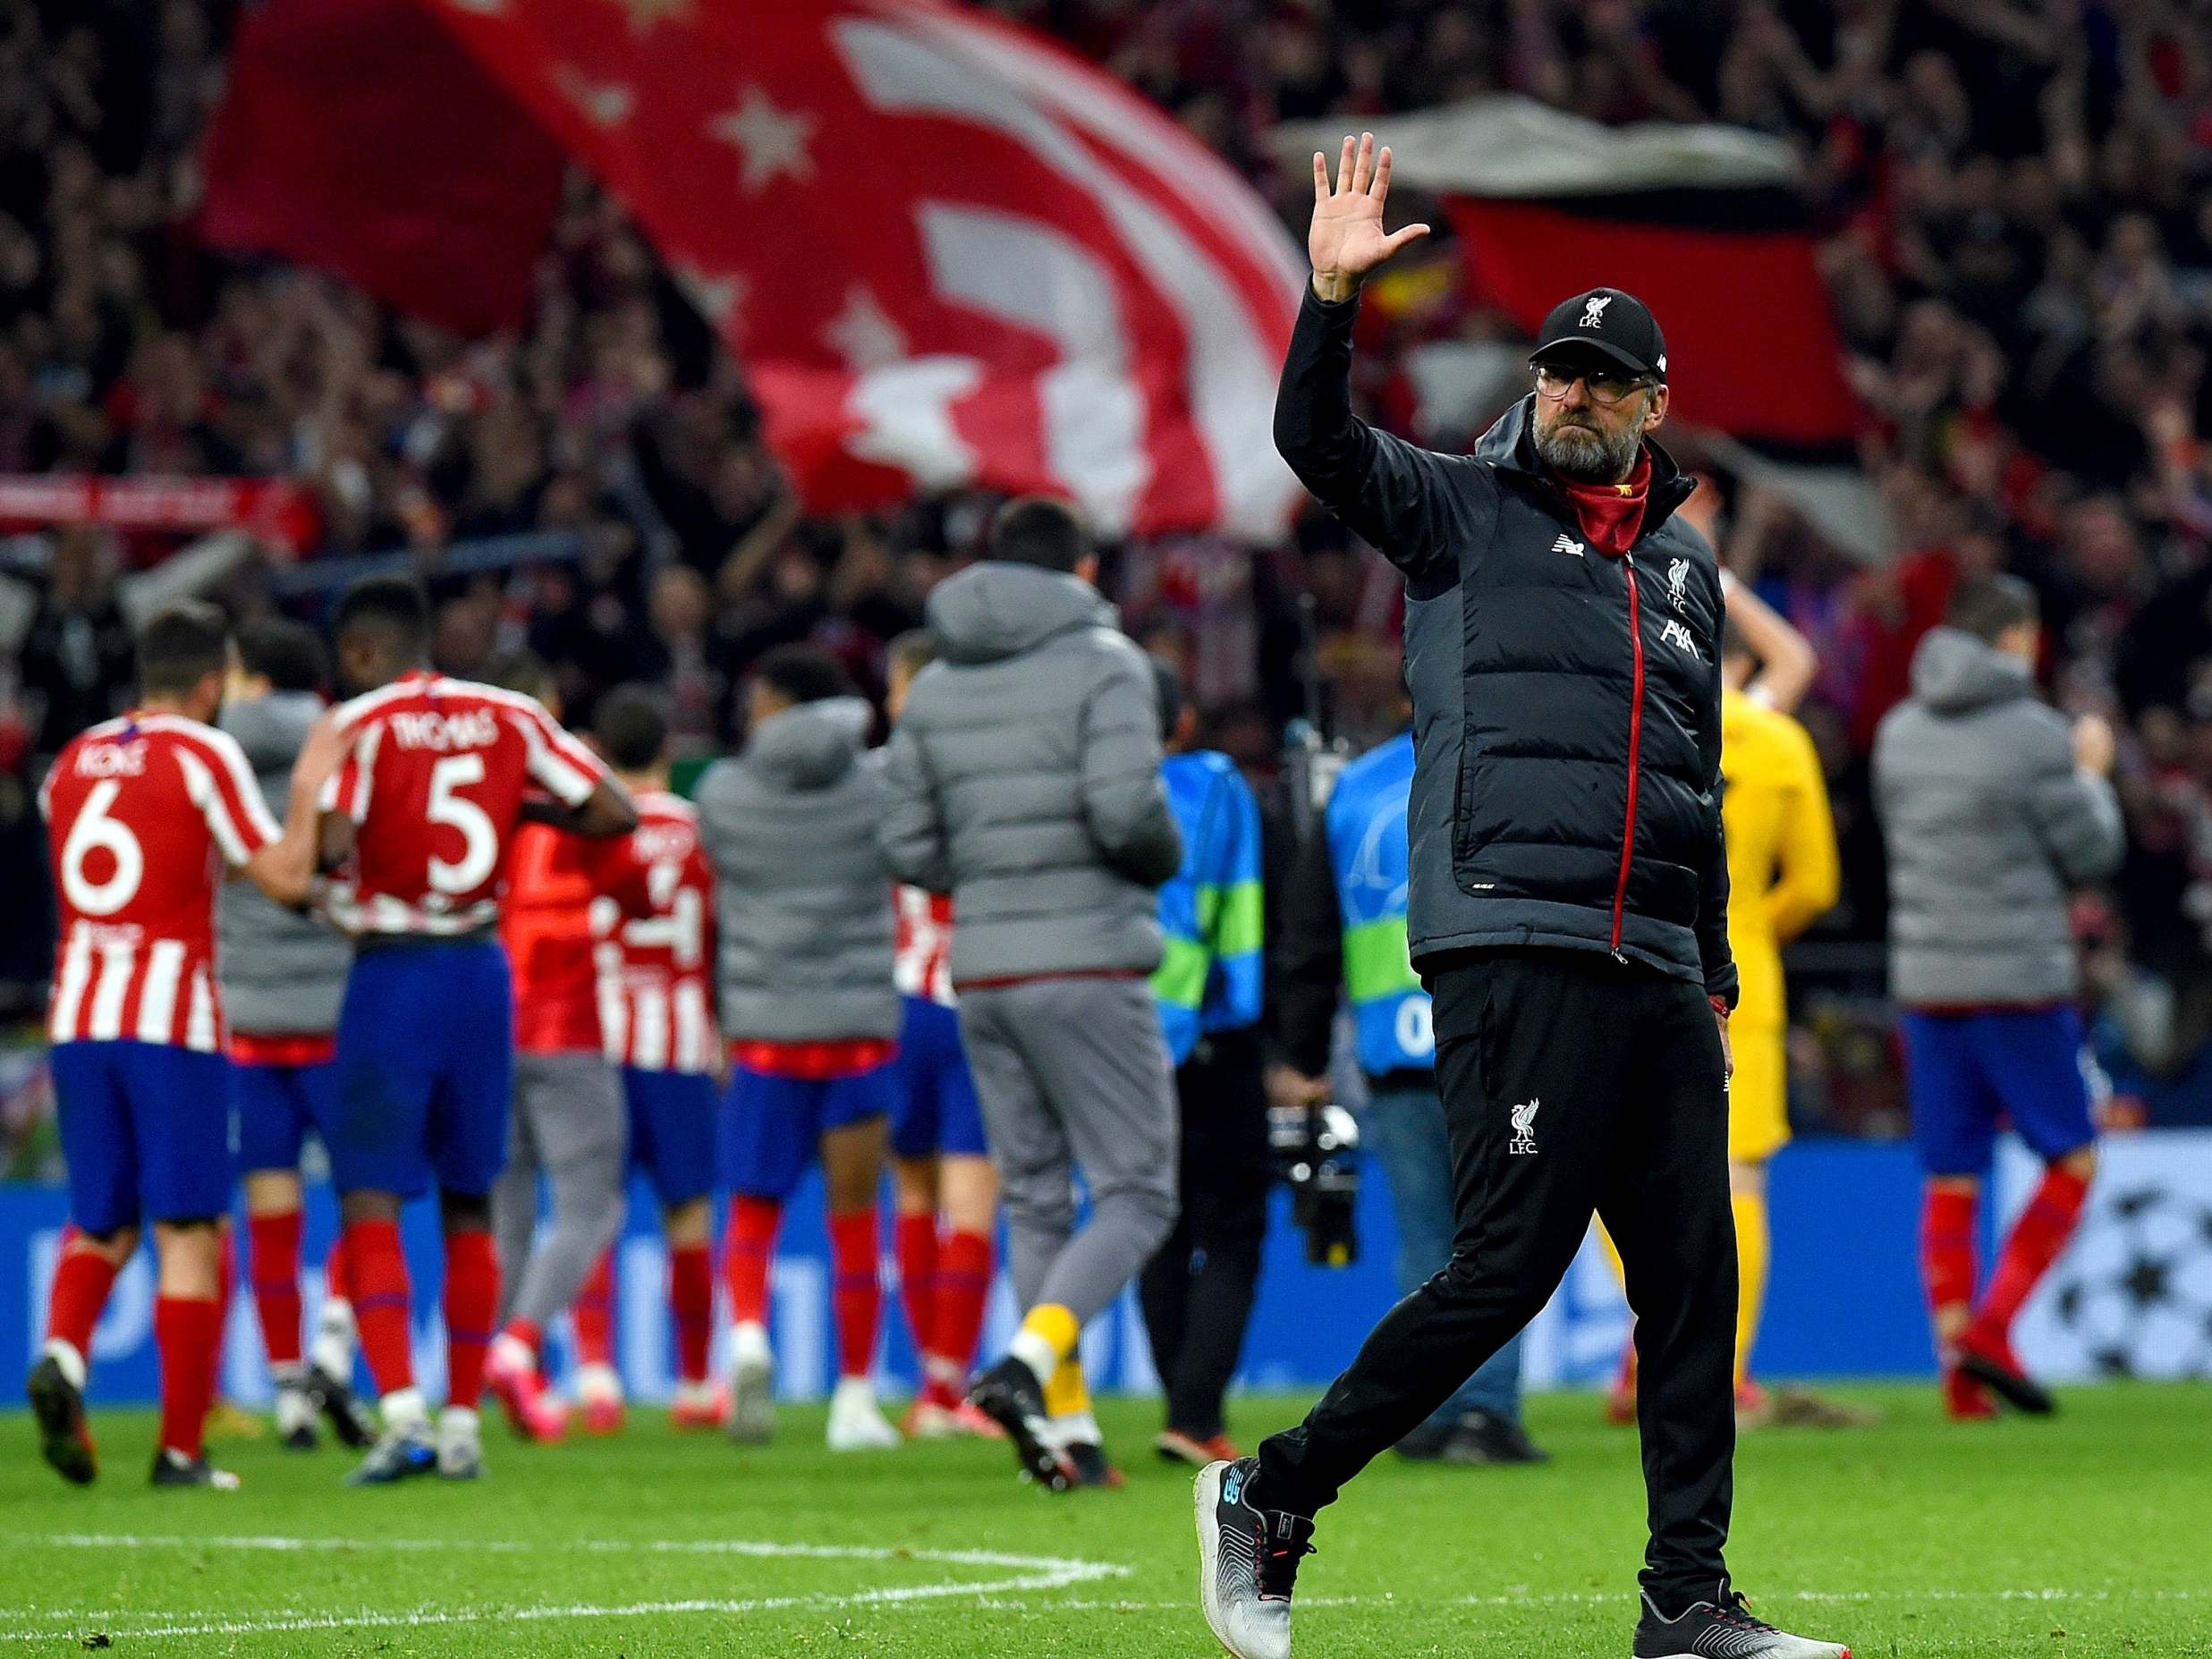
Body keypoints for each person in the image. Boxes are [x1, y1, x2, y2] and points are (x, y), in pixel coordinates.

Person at [1195, 134, 1849, 1659]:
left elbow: (1685, 779)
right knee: (1503, 1271)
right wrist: (1328, 297)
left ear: (1651, 405)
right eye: (1557, 373)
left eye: (1600, 381)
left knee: (1694, 1286)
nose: (1569, 395)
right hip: (1509, 937)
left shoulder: (1682, 572)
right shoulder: (1454, 509)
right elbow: (1312, 440)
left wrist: (1710, 981)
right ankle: (1272, 1495)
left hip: (1654, 966)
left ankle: (1684, 1599)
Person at [880, 495, 1183, 1494]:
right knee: (1137, 1191)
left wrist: (992, 877)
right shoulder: (1106, 665)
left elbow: (910, 848)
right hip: (1089, 959)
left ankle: (1068, 1434)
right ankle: (1021, 1360)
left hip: (983, 970)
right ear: (1082, 572)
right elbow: (1125, 810)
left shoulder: (931, 691)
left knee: (1036, 1196)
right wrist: (1159, 855)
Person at [317, 577, 635, 1485]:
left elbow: (335, 845)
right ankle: (461, 1424)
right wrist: (513, 810)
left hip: (393, 970)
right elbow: (614, 810)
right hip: (479, 975)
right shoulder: (511, 715)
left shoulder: (362, 722)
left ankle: (403, 1414)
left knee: (372, 1197)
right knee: (471, 1200)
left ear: (362, 653)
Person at [30, 601, 340, 1489]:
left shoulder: (74, 761)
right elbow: (281, 875)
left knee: (103, 1219)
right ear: (211, 685)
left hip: (80, 1015)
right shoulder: (205, 752)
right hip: (172, 1022)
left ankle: (65, 1353)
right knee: (190, 1229)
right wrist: (313, 782)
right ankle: (178, 1451)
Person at [1270, 690, 1547, 1468]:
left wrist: (1301, 1053)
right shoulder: (1508, 765)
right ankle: (1485, 1414)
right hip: (1496, 1039)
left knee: (1426, 1241)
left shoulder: (1354, 788)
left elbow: (1309, 935)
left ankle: (1419, 1411)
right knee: (1500, 1241)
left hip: (1391, 1047)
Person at [1872, 573, 2123, 1420]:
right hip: (2018, 981)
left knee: (1950, 1173)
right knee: (2071, 1156)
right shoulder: (2036, 736)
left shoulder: (1898, 733)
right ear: (2013, 637)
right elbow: (2090, 851)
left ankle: (1956, 1377)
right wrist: (2089, 771)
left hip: (1926, 982)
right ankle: (1993, 1328)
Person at [696, 645, 902, 1453]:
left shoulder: (722, 792)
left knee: (753, 1207)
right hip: (855, 1031)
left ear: (780, 702)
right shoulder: (878, 785)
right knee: (853, 1219)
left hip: (767, 1034)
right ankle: (854, 1399)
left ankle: (746, 1336)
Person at [216, 619, 376, 1452]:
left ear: (247, 675)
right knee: (366, 1195)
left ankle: (286, 1395)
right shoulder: (345, 746)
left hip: (248, 1018)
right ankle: (333, 1345)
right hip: (339, 1011)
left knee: (269, 1207)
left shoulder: (215, 754)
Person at [483, 652, 648, 1444]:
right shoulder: (579, 788)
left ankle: (485, 1369)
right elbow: (636, 885)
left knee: (505, 1212)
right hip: (566, 1022)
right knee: (593, 1202)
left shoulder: (471, 787)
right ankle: (517, 1350)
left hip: (487, 1020)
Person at [571, 684, 727, 1433]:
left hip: (597, 1039)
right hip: (683, 1044)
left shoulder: (593, 828)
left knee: (594, 1213)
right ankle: (696, 1385)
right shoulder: (702, 830)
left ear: (601, 753)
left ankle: (596, 1376)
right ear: (668, 753)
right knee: (688, 1216)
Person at [1137, 656, 1271, 1468]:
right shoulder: (1217, 786)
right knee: (1230, 1228)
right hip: (1212, 1031)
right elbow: (1244, 914)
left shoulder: (1087, 788)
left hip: (1119, 1036)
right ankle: (1193, 1410)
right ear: (1182, 720)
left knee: (1154, 1221)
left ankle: (1179, 1404)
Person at [880, 632, 1001, 1442]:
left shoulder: (882, 774)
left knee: (914, 1194)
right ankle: (952, 1389)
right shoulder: (991, 767)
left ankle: (931, 1386)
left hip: (897, 1002)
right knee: (971, 1201)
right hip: (974, 999)